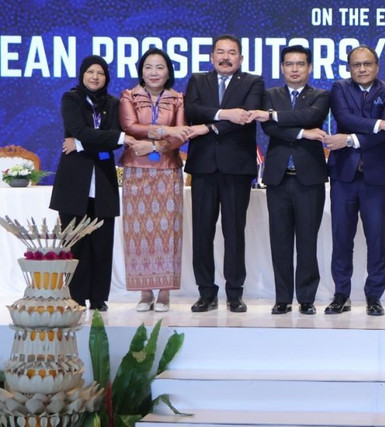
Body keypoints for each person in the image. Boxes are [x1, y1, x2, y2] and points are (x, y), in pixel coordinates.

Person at [184, 34, 265, 313]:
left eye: (232, 53)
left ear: (240, 59)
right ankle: (206, 292)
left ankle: (234, 293)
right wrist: (225, 113)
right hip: (204, 166)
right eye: (220, 52)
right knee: (202, 232)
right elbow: (192, 110)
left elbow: (245, 118)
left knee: (234, 232)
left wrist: (210, 125)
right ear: (211, 57)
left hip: (237, 168)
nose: (226, 57)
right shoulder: (198, 80)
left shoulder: (253, 82)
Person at [323, 45, 385, 316]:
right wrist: (379, 124)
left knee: (377, 239)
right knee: (341, 237)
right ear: (349, 68)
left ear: (377, 66)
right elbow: (344, 118)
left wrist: (350, 139)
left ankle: (374, 296)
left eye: (367, 64)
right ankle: (341, 294)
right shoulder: (339, 89)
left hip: (377, 177)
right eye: (356, 65)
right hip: (344, 176)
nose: (362, 69)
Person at [50, 55, 136, 311]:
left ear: (106, 77)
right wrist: (111, 137)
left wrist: (79, 144)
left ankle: (99, 298)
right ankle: (76, 296)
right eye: (90, 72)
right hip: (74, 180)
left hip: (103, 179)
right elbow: (80, 130)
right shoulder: (71, 99)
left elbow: (111, 141)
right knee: (75, 242)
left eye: (100, 72)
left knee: (101, 242)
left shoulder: (113, 103)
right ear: (83, 74)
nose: (95, 76)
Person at [119, 48, 201, 313]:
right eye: (148, 68)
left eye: (160, 67)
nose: (154, 73)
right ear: (141, 71)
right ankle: (144, 293)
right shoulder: (128, 96)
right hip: (135, 171)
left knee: (168, 231)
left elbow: (182, 135)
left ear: (168, 72)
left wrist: (155, 147)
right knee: (138, 232)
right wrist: (164, 131)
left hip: (168, 169)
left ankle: (164, 293)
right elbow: (130, 127)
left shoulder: (178, 99)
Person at [251, 45, 329, 315]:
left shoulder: (320, 95)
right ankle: (282, 298)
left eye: (300, 64)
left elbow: (311, 117)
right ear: (282, 68)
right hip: (278, 178)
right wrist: (303, 133)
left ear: (309, 68)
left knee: (307, 241)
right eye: (289, 64)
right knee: (280, 241)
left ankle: (306, 298)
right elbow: (270, 128)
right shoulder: (268, 94)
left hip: (310, 180)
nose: (294, 69)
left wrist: (277, 117)